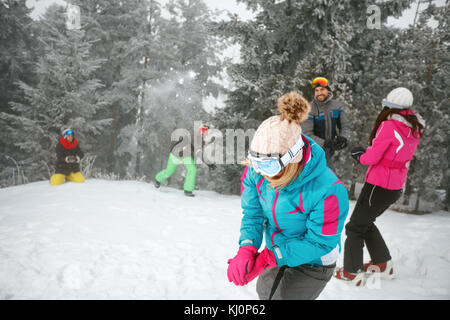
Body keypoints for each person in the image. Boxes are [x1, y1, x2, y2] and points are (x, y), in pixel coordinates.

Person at [227, 91, 349, 300]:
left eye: (270, 164)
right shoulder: (255, 173)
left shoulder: (329, 191)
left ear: (293, 158)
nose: (262, 172)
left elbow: (320, 242)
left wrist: (270, 256)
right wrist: (247, 247)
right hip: (277, 249)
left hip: (314, 260)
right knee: (265, 293)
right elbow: (253, 215)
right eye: (257, 162)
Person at [334, 87, 425, 286]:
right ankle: (383, 265)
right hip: (394, 186)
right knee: (365, 223)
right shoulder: (414, 127)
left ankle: (352, 272)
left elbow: (373, 157)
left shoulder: (389, 126)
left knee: (355, 227)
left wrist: (360, 155)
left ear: (390, 107)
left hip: (379, 184)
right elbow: (393, 153)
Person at [302, 77, 351, 170]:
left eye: (322, 89)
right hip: (313, 153)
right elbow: (306, 134)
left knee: (330, 178)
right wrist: (325, 143)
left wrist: (343, 137)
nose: (319, 93)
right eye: (316, 90)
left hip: (330, 153)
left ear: (328, 91)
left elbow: (345, 125)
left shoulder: (336, 106)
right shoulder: (310, 109)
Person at [154, 123, 213, 197]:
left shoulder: (200, 140)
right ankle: (158, 179)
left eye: (206, 132)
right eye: (204, 131)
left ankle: (188, 190)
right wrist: (209, 164)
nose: (205, 133)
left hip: (185, 155)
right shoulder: (195, 137)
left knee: (192, 169)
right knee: (169, 172)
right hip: (177, 153)